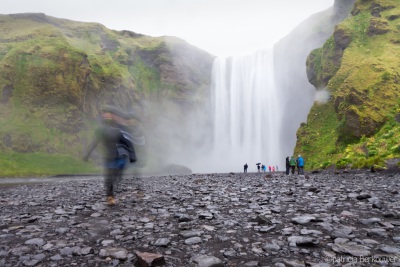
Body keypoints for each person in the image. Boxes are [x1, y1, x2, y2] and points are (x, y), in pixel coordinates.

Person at [83, 105, 144, 205]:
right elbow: (94, 142)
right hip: (108, 157)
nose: (106, 115)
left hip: (119, 157)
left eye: (108, 113)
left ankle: (113, 189)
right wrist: (87, 154)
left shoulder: (119, 128)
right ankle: (110, 196)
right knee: (109, 178)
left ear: (112, 115)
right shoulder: (101, 129)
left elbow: (127, 142)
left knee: (117, 175)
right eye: (104, 113)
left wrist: (132, 156)